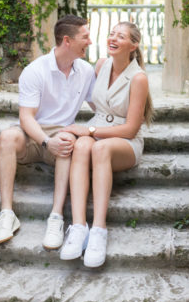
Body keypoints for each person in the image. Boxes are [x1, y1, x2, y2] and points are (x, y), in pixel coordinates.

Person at [0, 14, 96, 250]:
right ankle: (7, 214)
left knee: (67, 140)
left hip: (61, 138)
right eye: (85, 37)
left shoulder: (87, 71)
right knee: (7, 136)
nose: (89, 42)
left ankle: (56, 217)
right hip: (34, 135)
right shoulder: (35, 70)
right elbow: (26, 117)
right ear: (67, 41)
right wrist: (45, 141)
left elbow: (99, 106)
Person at [59, 21, 153, 267]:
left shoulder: (139, 78)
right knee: (80, 147)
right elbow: (96, 102)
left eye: (120, 36)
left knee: (99, 147)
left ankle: (99, 231)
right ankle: (78, 227)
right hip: (99, 126)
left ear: (133, 45)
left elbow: (131, 129)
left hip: (125, 141)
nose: (113, 38)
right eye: (112, 34)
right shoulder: (100, 65)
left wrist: (88, 130)